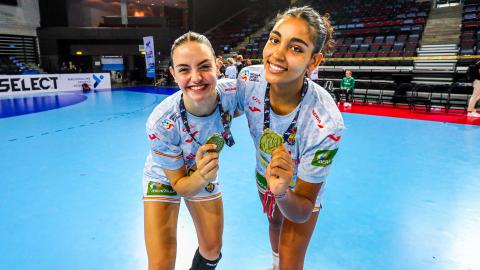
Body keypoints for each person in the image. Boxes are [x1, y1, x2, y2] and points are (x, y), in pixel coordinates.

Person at [236, 6, 344, 270]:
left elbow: (304, 207)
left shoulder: (324, 122)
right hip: (264, 175)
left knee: (291, 263)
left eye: (296, 48)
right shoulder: (248, 79)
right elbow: (217, 105)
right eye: (275, 40)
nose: (277, 54)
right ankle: (273, 262)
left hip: (300, 191)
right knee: (274, 222)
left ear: (314, 61)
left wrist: (283, 192)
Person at [143, 31, 237, 270]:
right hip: (165, 177)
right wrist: (202, 176)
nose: (196, 77)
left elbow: (273, 89)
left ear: (218, 66)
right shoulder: (161, 123)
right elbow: (181, 186)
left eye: (204, 66)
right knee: (160, 264)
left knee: (212, 250)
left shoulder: (234, 95)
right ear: (173, 74)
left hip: (200, 171)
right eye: (184, 69)